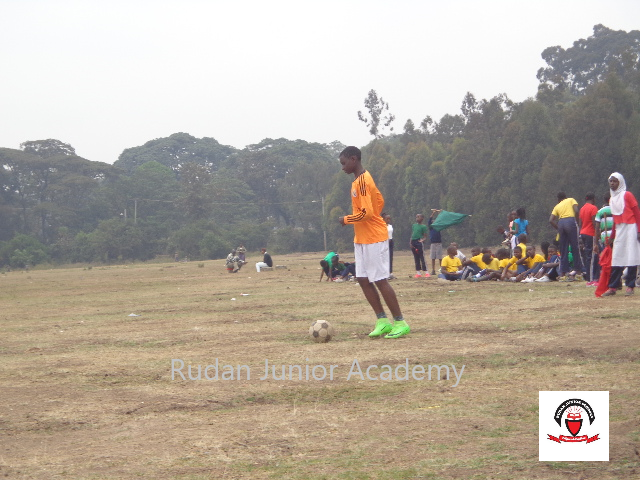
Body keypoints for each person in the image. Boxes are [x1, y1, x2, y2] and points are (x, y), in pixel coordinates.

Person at [338, 146, 409, 339]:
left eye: (344, 163)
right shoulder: (359, 180)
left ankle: (400, 322)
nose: (342, 168)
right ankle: (382, 320)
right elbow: (379, 199)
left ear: (354, 159)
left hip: (374, 238)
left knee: (379, 279)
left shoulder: (362, 181)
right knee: (362, 278)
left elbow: (367, 213)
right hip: (361, 238)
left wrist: (346, 220)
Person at [601, 172, 640, 297]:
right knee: (617, 257)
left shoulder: (627, 195)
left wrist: (639, 230)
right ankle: (613, 287)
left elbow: (636, 213)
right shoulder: (612, 199)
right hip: (620, 229)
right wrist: (612, 236)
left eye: (614, 181)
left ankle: (630, 286)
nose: (612, 183)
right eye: (610, 181)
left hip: (631, 227)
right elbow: (615, 219)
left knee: (631, 256)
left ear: (620, 182)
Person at [549, 192, 583, 281]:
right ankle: (578, 273)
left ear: (558, 199)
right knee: (575, 248)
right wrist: (577, 222)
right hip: (570, 222)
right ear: (565, 197)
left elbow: (551, 220)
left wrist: (558, 228)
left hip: (561, 223)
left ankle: (563, 274)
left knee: (563, 250)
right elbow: (576, 211)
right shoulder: (571, 200)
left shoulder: (557, 206)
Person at [579, 193, 599, 282]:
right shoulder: (593, 208)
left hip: (583, 233)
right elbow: (594, 222)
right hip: (590, 234)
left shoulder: (582, 208)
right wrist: (598, 233)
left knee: (587, 256)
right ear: (593, 199)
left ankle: (589, 275)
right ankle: (591, 277)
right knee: (592, 256)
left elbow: (580, 222)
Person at [410, 213, 429, 278]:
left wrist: (422, 240)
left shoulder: (423, 226)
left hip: (419, 242)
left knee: (422, 257)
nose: (417, 218)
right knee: (416, 257)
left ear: (422, 218)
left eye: (418, 217)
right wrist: (410, 243)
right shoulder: (414, 225)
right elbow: (412, 234)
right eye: (416, 217)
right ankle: (418, 273)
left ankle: (426, 272)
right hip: (413, 242)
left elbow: (425, 236)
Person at [428, 209, 443, 275]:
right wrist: (433, 213)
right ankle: (433, 270)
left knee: (440, 257)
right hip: (433, 243)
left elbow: (440, 220)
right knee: (433, 258)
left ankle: (442, 269)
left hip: (439, 243)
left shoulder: (438, 227)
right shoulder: (431, 228)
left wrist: (440, 213)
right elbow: (429, 220)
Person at [384, 213, 395, 279]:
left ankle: (390, 273)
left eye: (389, 219)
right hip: (384, 242)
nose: (388, 220)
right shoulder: (382, 226)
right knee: (385, 258)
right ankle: (385, 273)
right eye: (387, 219)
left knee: (390, 257)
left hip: (390, 242)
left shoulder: (390, 226)